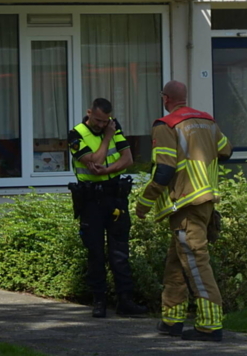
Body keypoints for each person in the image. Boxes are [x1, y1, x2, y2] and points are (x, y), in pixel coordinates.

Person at [135, 80, 232, 342]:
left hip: (186, 204)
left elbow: (164, 170)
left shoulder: (166, 125)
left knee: (197, 263)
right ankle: (172, 320)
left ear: (165, 98)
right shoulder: (207, 121)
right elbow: (226, 151)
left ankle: (210, 325)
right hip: (205, 203)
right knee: (176, 263)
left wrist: (144, 203)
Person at [67, 97, 148, 319]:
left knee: (120, 252)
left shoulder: (114, 126)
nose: (102, 125)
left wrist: (106, 169)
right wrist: (107, 139)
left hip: (115, 198)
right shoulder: (76, 134)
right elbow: (94, 159)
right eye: (98, 120)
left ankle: (125, 301)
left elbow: (128, 158)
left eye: (105, 122)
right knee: (95, 253)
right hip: (91, 201)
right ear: (89, 112)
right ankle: (99, 301)